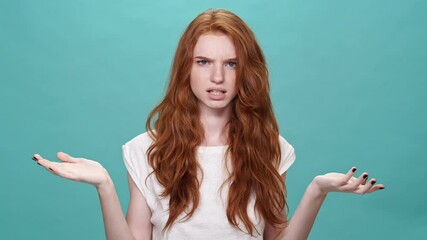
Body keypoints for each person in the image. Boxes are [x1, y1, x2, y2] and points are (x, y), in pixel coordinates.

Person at [32, 9, 384, 240]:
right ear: (186, 67)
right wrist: (104, 187)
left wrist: (316, 192)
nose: (217, 77)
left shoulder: (271, 147)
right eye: (203, 61)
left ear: (246, 71)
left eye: (231, 64)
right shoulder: (146, 150)